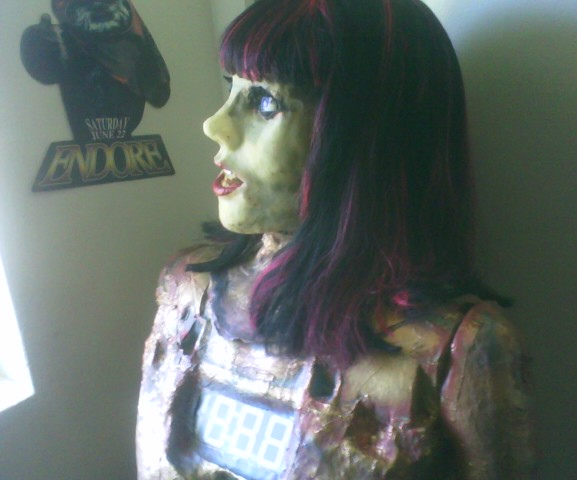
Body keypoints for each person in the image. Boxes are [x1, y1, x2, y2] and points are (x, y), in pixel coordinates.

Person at [136, 0, 535, 478]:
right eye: (231, 89)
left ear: (365, 137)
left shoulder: (460, 348)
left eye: (266, 102)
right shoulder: (185, 293)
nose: (214, 126)